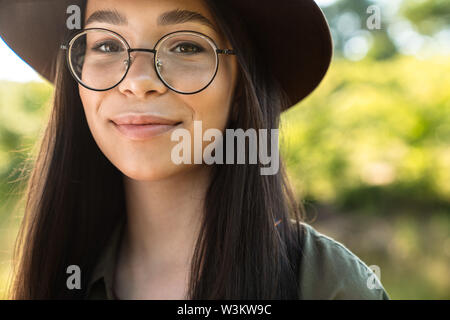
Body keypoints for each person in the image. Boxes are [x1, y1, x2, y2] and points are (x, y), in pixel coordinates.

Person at [0, 0, 390, 299]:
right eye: (106, 44)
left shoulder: (327, 284)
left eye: (186, 46)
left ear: (241, 87)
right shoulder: (55, 274)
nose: (137, 81)